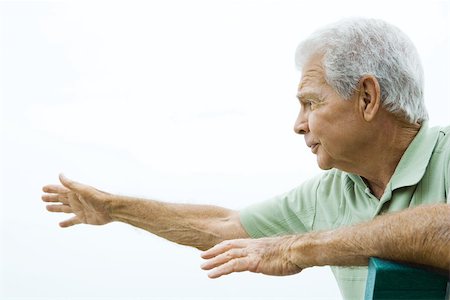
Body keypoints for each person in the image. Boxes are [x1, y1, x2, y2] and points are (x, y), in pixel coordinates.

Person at [42, 18, 450, 299]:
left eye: (311, 103)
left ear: (366, 97)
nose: (299, 124)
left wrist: (299, 249)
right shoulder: (332, 192)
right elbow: (225, 227)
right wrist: (114, 209)